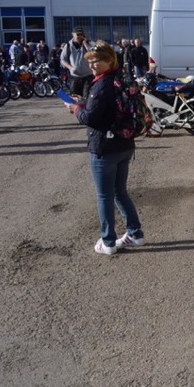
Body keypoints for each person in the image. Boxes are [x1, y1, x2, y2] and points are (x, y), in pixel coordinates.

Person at [63, 43, 145, 255]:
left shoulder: (101, 84)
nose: (91, 65)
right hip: (124, 143)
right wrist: (84, 103)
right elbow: (106, 109)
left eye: (96, 61)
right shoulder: (121, 79)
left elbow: (91, 118)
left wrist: (75, 109)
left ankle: (108, 241)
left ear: (109, 60)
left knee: (104, 196)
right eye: (89, 62)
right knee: (119, 192)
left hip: (105, 147)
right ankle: (135, 234)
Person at [61, 27, 94, 98]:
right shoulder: (68, 46)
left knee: (87, 97)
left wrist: (85, 44)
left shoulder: (89, 44)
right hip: (75, 76)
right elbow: (63, 59)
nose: (79, 36)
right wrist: (71, 68)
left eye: (81, 34)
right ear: (73, 34)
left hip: (88, 75)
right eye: (77, 34)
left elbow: (93, 55)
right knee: (75, 98)